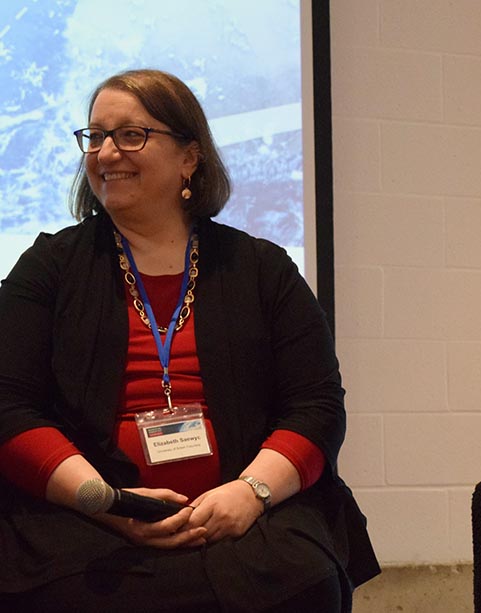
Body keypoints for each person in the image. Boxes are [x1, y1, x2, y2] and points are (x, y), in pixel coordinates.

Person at [0, 69, 379, 612]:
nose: (107, 153)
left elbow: (316, 407)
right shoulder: (48, 268)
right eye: (96, 136)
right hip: (87, 517)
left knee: (302, 579)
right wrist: (104, 501)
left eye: (131, 135)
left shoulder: (262, 269)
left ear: (189, 157)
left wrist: (250, 494)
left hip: (246, 510)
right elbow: (8, 404)